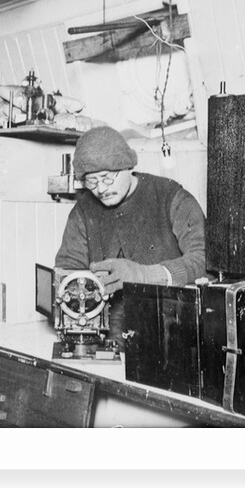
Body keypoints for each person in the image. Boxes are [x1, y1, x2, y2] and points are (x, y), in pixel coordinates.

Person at [55, 126, 207, 348]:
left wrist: (144, 275)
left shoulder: (171, 197)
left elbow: (204, 260)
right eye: (91, 181)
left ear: (127, 166)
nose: (100, 189)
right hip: (107, 340)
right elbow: (68, 270)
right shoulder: (82, 211)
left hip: (172, 336)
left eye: (107, 177)